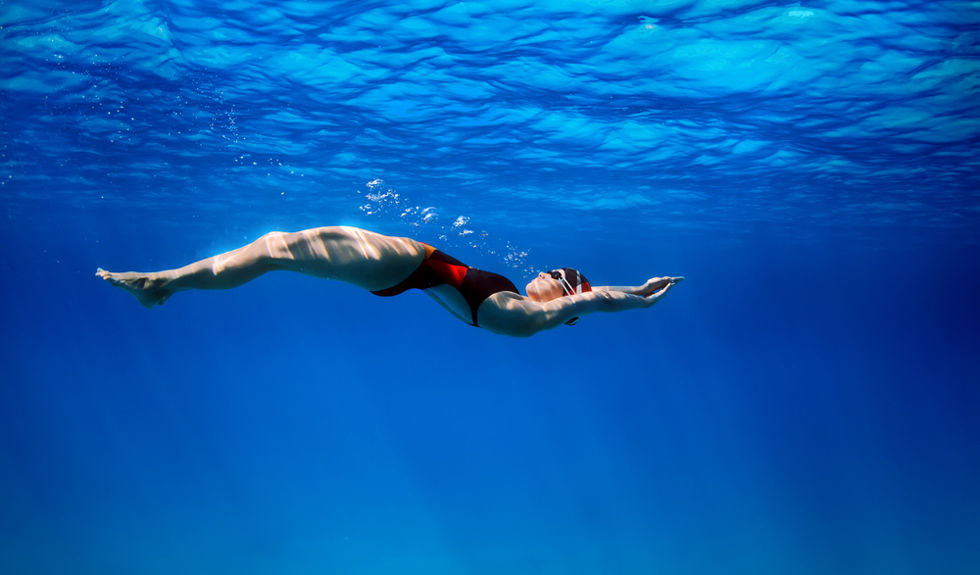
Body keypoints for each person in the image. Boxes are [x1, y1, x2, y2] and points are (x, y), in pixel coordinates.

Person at [97, 226, 682, 337]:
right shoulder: (516, 307)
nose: (544, 273)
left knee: (274, 248)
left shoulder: (530, 319)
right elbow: (594, 299)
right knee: (271, 247)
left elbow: (601, 300)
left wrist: (637, 297)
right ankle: (166, 283)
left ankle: (163, 284)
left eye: (557, 278)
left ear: (569, 297)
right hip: (404, 271)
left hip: (401, 268)